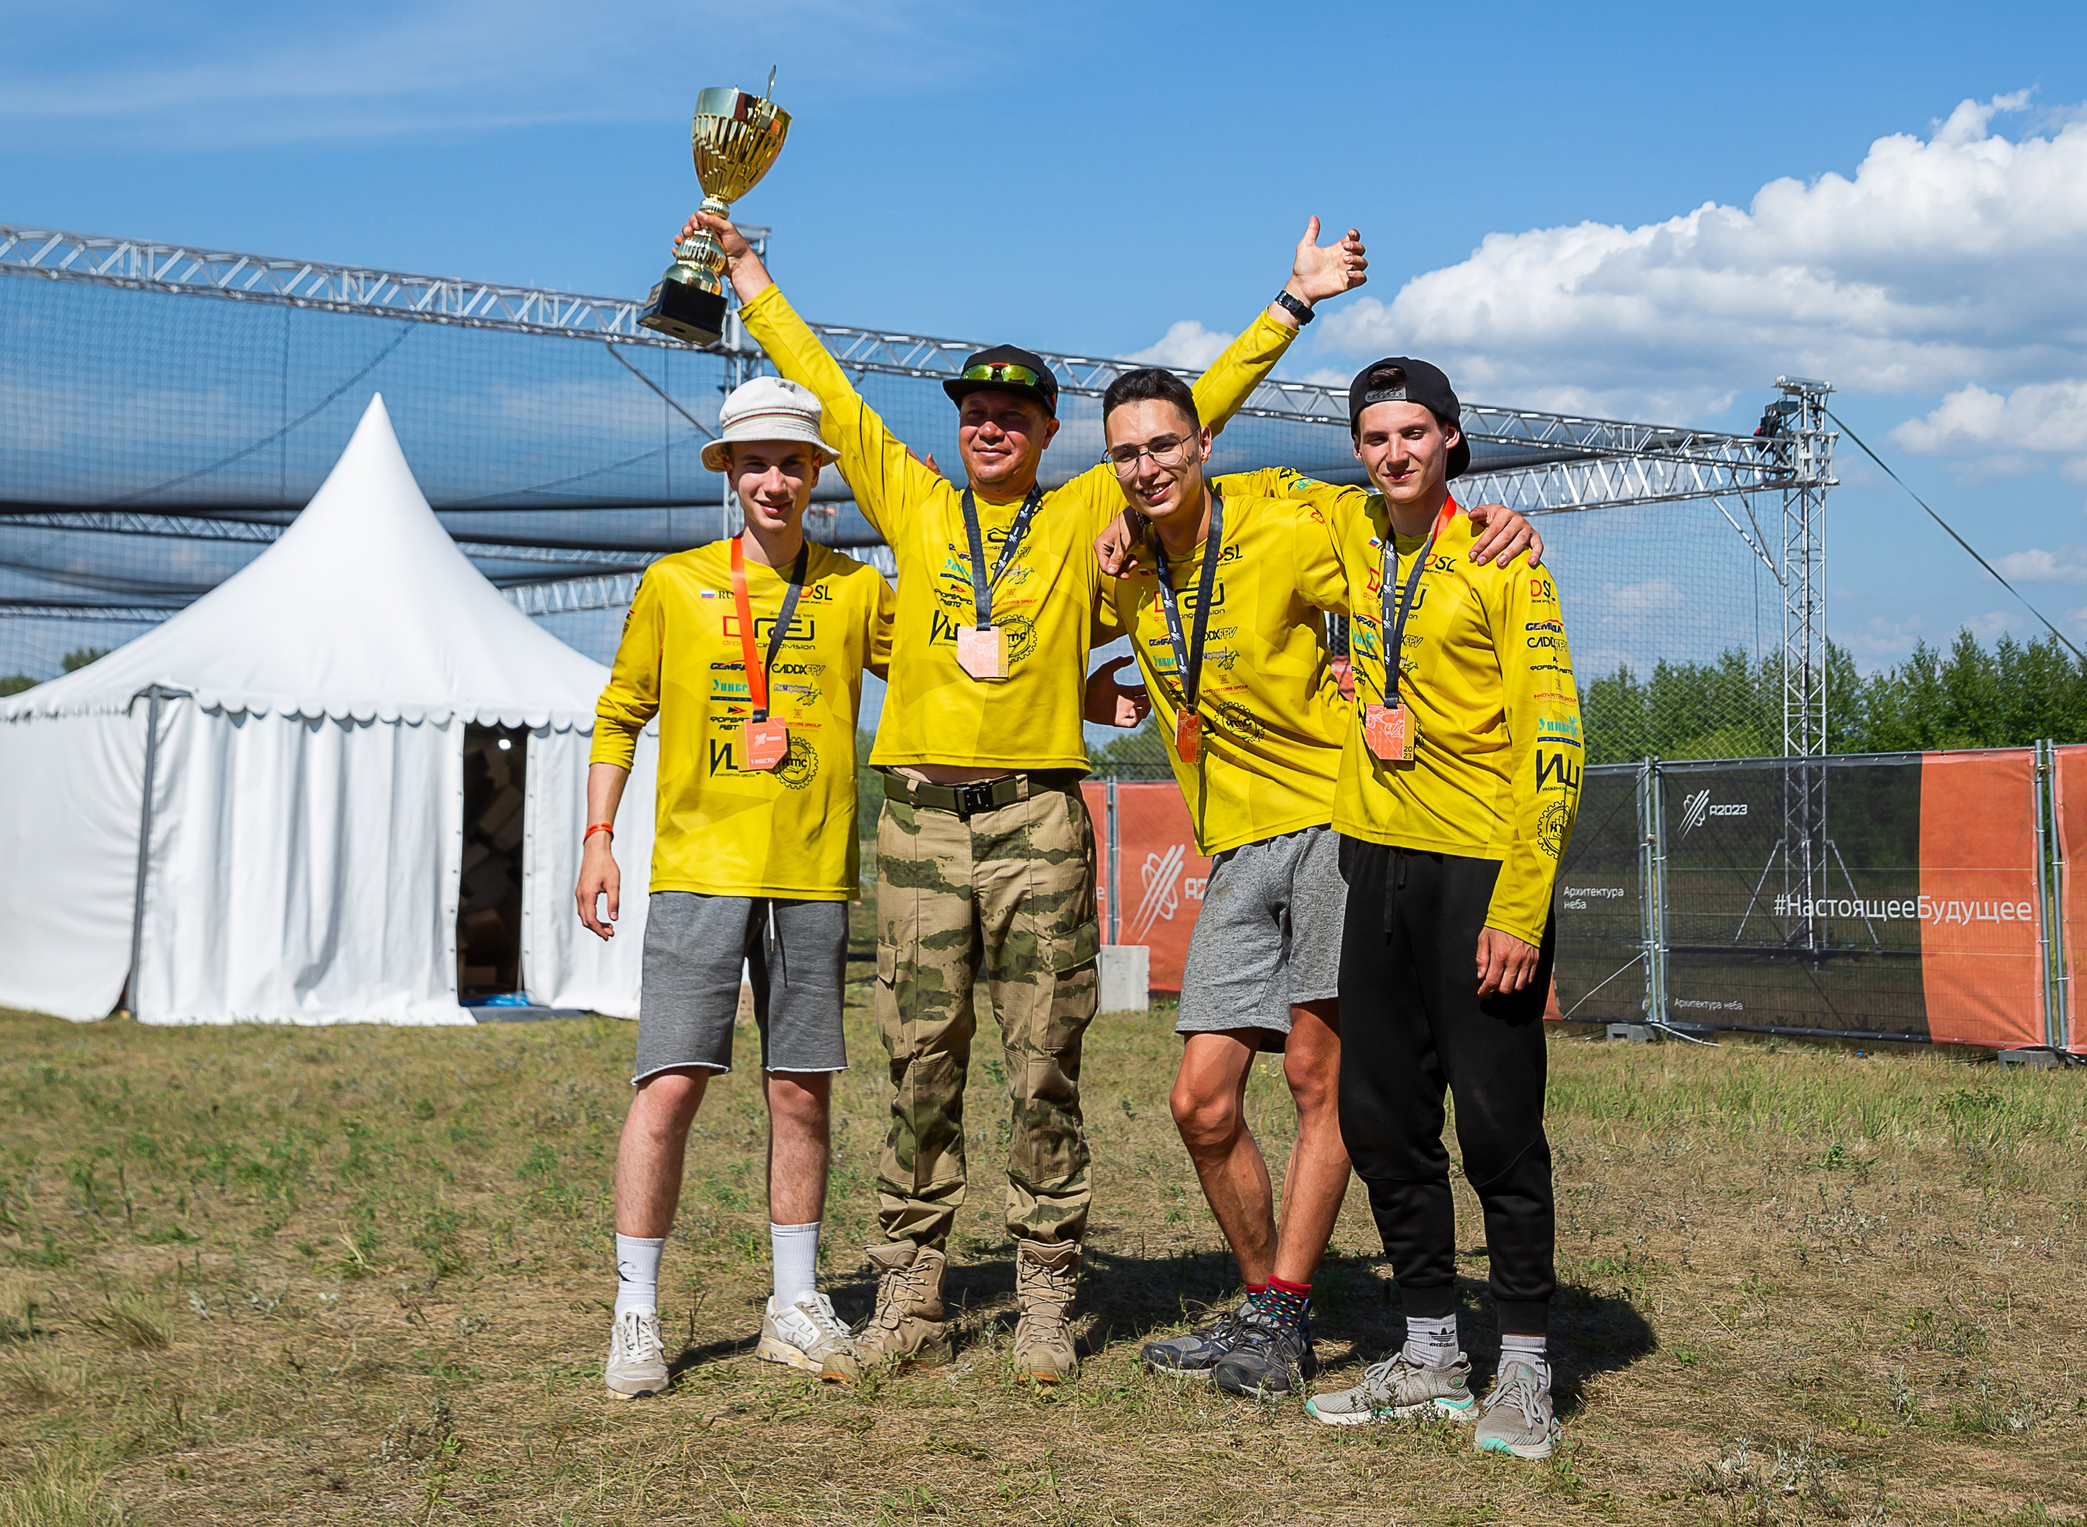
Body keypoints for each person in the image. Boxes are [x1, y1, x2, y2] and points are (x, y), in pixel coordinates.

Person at [679, 206, 1362, 1381]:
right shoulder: (912, 499)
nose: (987, 428)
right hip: (918, 826)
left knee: (1044, 1058)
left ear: (1048, 433)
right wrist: (745, 274)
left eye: (1011, 416)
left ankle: (1047, 1292)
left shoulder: (1088, 509)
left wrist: (1290, 305)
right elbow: (825, 388)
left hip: (1039, 820)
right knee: (918, 1061)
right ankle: (911, 1295)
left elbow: (1197, 411)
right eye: (972, 414)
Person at [1081, 369, 1542, 1403]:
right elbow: (1037, 648)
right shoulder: (1126, 567)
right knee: (1200, 1101)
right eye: (1126, 454)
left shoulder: (1284, 526)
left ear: (1203, 444)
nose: (1147, 467)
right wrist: (1094, 676)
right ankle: (1267, 1304)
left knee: (1314, 1078)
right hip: (1237, 847)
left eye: (1164, 445)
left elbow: (1403, 554)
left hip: (1335, 823)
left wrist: (1493, 523)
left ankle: (1285, 1312)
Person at [1272, 356, 1584, 1460]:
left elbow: (1556, 739)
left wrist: (1521, 907)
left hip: (1480, 876)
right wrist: (1127, 523)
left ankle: (1527, 1367)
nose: (1394, 453)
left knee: (1497, 1127)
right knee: (1380, 1120)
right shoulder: (1345, 531)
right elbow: (1212, 493)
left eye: (1414, 433)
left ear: (1451, 438)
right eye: (1374, 437)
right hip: (1375, 867)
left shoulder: (1504, 560)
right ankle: (1431, 1353)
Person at [578, 377, 894, 1399]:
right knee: (670, 1083)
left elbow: (944, 672)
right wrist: (598, 838)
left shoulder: (855, 589)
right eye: (755, 462)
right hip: (697, 872)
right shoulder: (674, 584)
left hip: (811, 877)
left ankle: (793, 1304)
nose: (774, 479)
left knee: (801, 1088)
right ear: (730, 474)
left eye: (791, 462)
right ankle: (635, 1312)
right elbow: (620, 710)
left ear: (816, 477)